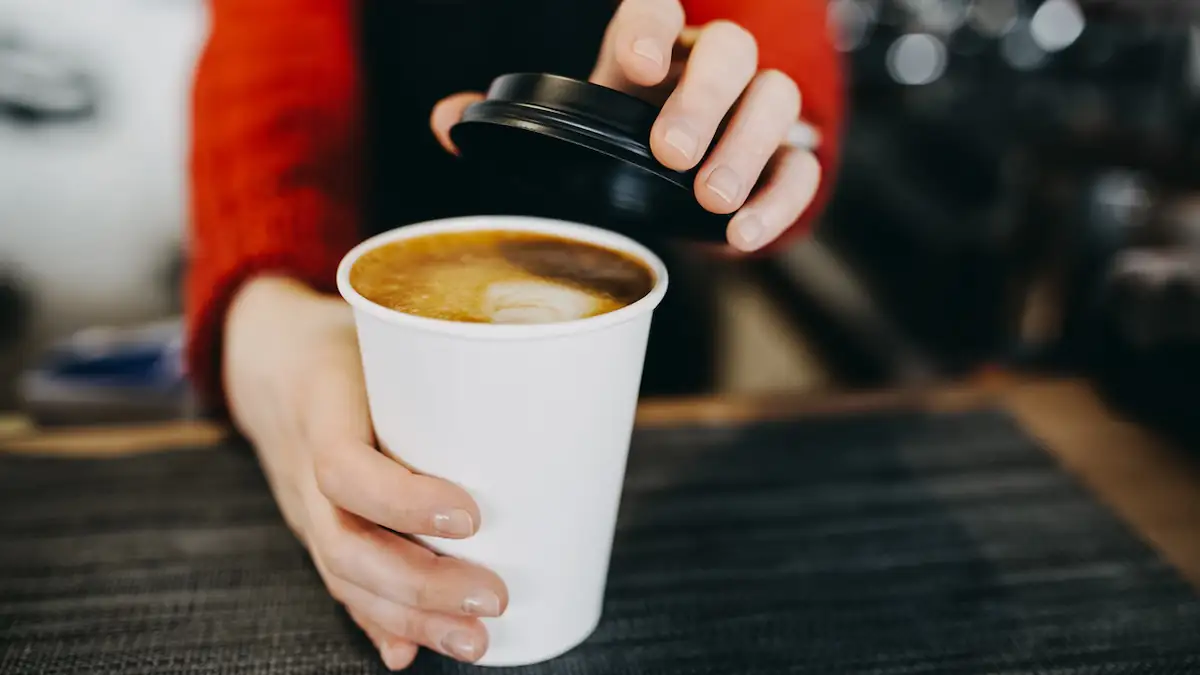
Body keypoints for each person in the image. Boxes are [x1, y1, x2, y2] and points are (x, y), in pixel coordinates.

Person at [186, 0, 844, 668]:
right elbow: (271, 62)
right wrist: (269, 314)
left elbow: (774, 42)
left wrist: (743, 131)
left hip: (648, 372)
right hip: (365, 318)